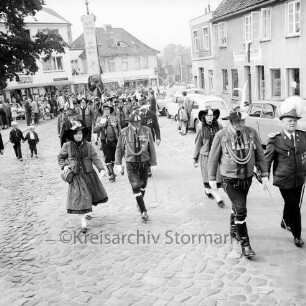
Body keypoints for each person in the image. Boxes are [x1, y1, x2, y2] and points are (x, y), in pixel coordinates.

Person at [208, 106, 268, 258]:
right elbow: (213, 158)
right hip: (229, 179)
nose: (240, 123)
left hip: (247, 178)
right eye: (237, 121)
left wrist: (265, 174)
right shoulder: (221, 135)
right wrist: (211, 179)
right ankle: (245, 244)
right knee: (241, 210)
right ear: (231, 121)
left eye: (242, 120)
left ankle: (233, 229)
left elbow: (260, 155)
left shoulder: (251, 133)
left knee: (237, 206)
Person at [265, 96, 305, 248]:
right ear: (282, 122)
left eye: (295, 120)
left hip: (299, 178)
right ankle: (297, 235)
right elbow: (267, 159)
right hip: (283, 178)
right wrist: (263, 175)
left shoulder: (302, 136)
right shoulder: (276, 139)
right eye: (289, 120)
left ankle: (284, 220)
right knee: (294, 205)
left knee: (291, 203)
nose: (293, 123)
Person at [58, 120, 108, 233]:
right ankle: (83, 223)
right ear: (72, 135)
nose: (78, 135)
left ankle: (86, 213)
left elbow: (95, 158)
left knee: (87, 195)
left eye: (80, 133)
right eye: (76, 133)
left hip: (88, 173)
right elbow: (60, 158)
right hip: (75, 176)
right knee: (80, 197)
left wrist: (101, 169)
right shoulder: (67, 146)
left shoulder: (88, 145)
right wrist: (65, 166)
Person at [115, 109, 157, 221]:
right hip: (131, 163)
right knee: (135, 185)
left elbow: (151, 147)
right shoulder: (124, 132)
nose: (137, 124)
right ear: (130, 122)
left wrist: (153, 163)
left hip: (144, 162)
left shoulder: (147, 130)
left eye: (138, 122)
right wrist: (118, 163)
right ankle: (144, 211)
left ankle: (139, 201)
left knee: (143, 184)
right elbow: (119, 148)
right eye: (134, 122)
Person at [194, 107, 225, 208]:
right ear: (204, 116)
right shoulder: (200, 127)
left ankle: (207, 190)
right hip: (206, 156)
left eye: (212, 115)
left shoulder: (219, 126)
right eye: (208, 115)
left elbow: (223, 139)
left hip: (217, 154)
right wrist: (195, 158)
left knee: (217, 177)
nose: (210, 117)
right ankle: (219, 199)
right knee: (209, 177)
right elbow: (198, 143)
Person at [95, 103, 120, 182]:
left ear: (110, 110)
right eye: (104, 109)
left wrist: (121, 139)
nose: (106, 111)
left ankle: (110, 170)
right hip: (104, 140)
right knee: (107, 157)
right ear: (102, 110)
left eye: (108, 109)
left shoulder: (115, 118)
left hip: (114, 140)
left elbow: (119, 129)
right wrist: (101, 124)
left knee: (113, 157)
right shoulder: (99, 119)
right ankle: (112, 174)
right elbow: (95, 130)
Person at [139, 106, 161, 177]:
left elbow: (156, 126)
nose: (143, 109)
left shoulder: (152, 114)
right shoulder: (138, 115)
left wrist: (158, 138)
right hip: (141, 138)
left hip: (150, 138)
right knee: (143, 152)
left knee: (149, 152)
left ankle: (148, 168)